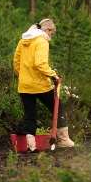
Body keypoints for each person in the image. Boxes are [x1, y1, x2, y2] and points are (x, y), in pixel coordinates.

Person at [13, 18, 74, 152]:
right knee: (58, 107)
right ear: (47, 30)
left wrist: (23, 77)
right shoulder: (41, 41)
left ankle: (31, 145)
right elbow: (40, 64)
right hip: (40, 85)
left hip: (24, 85)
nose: (51, 37)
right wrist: (54, 75)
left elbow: (16, 63)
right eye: (52, 34)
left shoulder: (23, 41)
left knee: (30, 114)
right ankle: (64, 140)